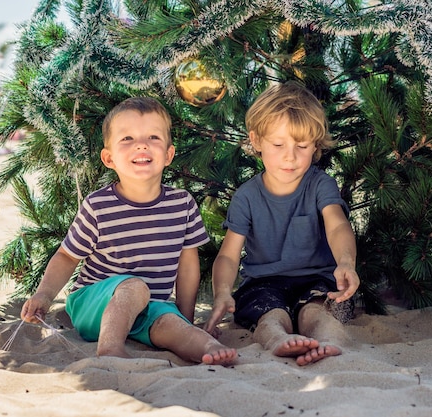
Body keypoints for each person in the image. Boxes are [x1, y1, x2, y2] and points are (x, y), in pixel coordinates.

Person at [21, 97, 237, 365]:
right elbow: (67, 256)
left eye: (153, 137)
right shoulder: (98, 206)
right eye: (127, 139)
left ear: (169, 154)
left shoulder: (182, 204)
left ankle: (208, 348)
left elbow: (188, 265)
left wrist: (186, 316)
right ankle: (110, 349)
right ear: (109, 158)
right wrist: (44, 294)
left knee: (171, 323)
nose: (142, 144)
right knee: (134, 287)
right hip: (93, 304)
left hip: (148, 307)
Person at [204, 82, 360, 366]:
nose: (290, 156)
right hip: (263, 283)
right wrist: (222, 292)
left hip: (318, 280)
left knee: (316, 312)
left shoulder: (320, 185)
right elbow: (228, 254)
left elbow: (337, 225)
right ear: (257, 140)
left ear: (315, 146)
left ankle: (329, 342)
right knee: (270, 313)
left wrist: (346, 262)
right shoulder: (247, 196)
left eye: (301, 146)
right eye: (278, 145)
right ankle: (278, 340)